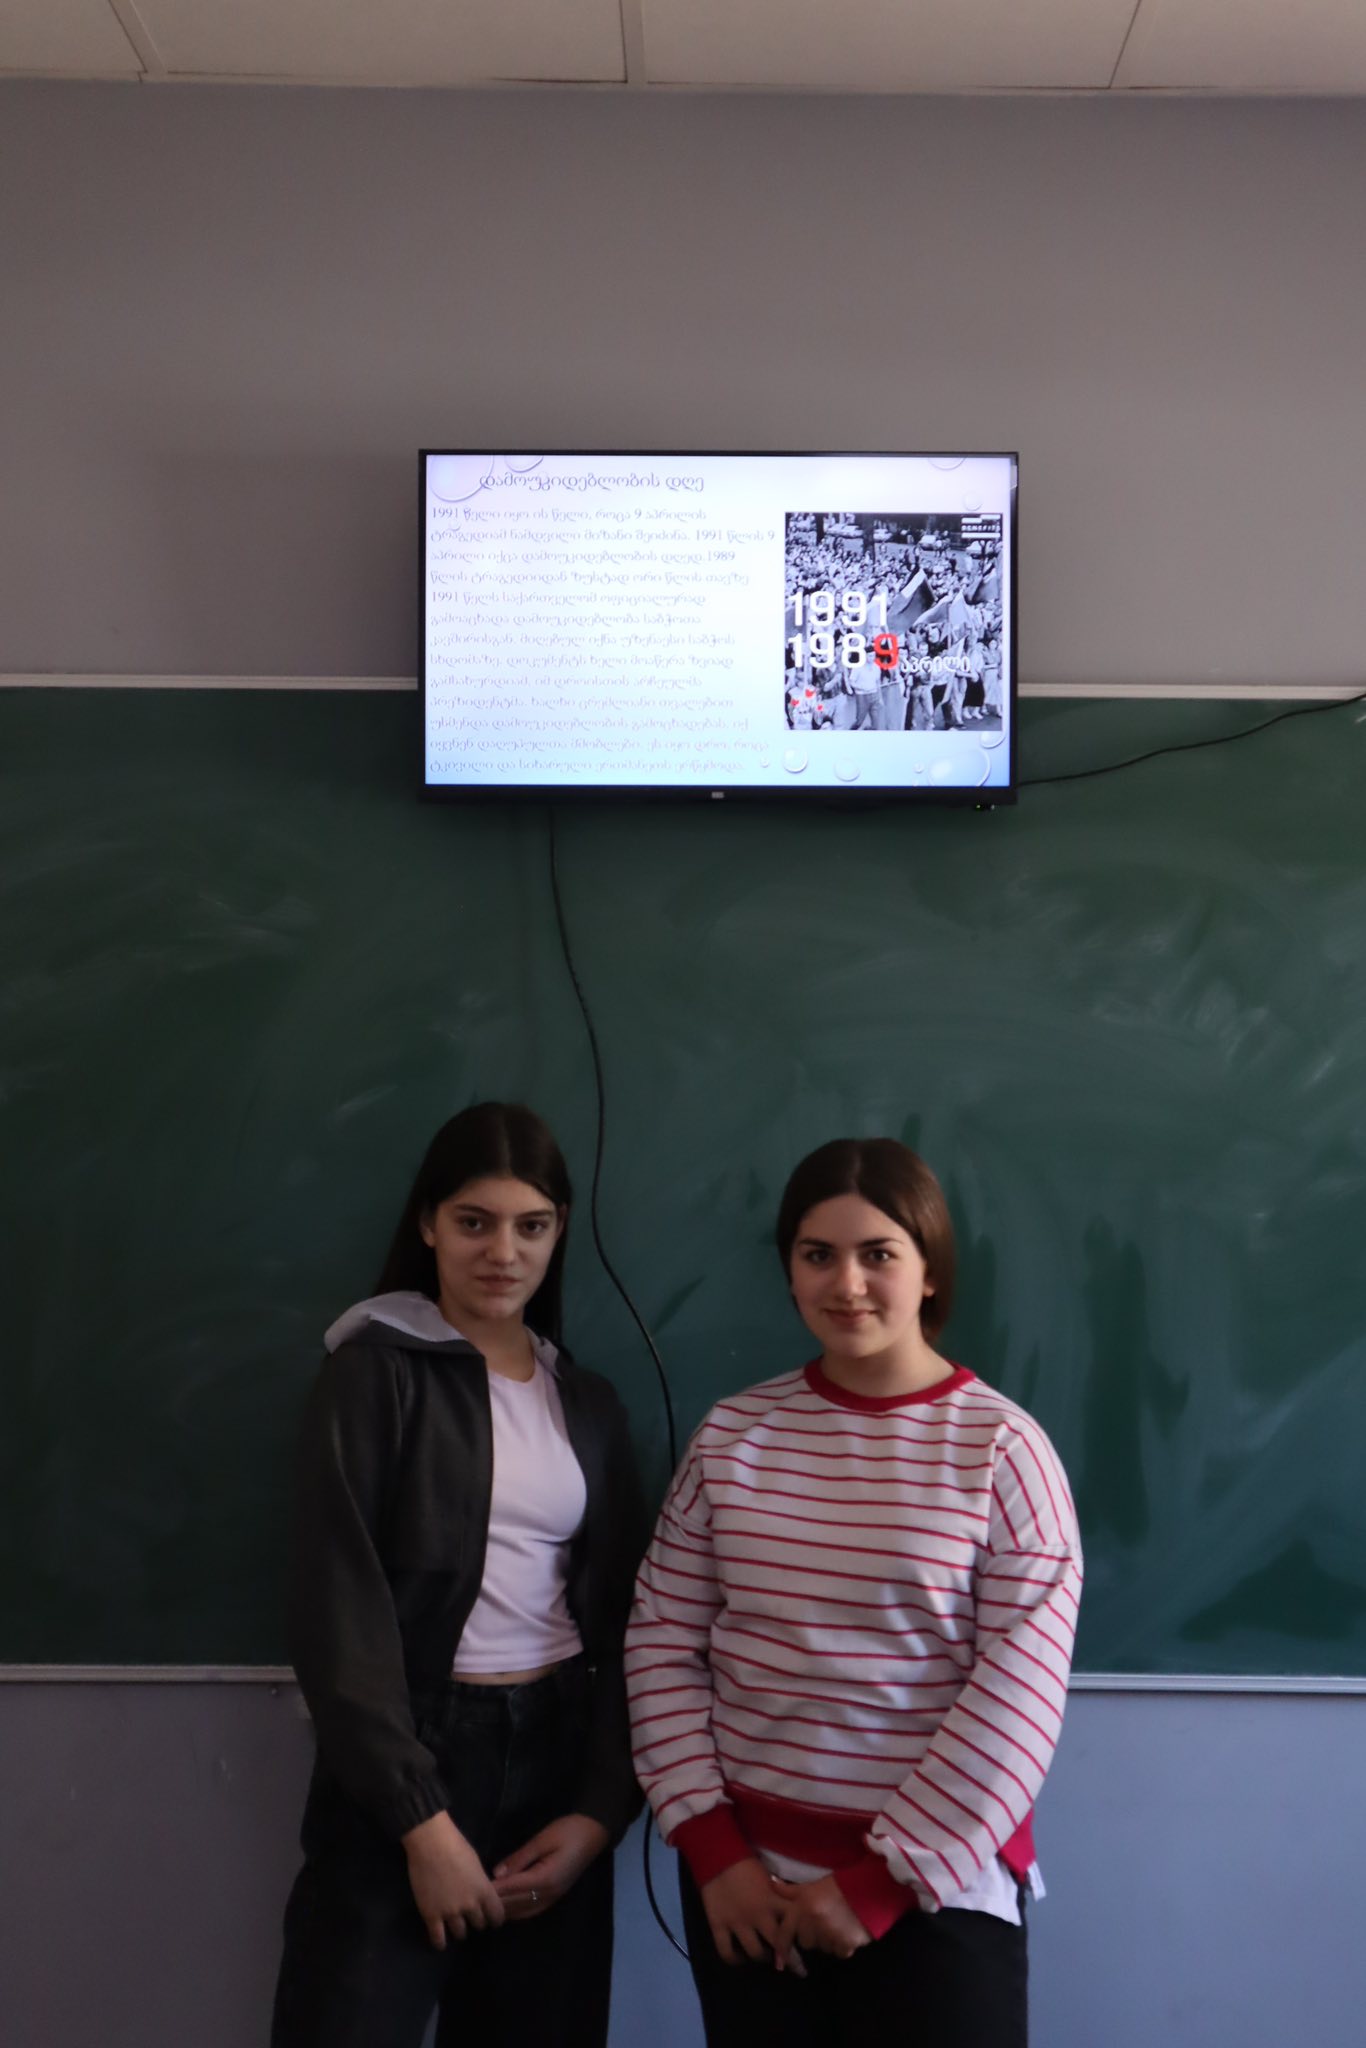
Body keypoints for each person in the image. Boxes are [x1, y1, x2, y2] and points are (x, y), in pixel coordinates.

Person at [626, 1138, 1081, 2048]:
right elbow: (661, 1640)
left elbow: (1018, 1696)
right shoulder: (733, 1436)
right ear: (789, 1270)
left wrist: (880, 1886)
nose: (847, 1284)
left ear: (929, 1271)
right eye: (817, 1255)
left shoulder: (1002, 1448)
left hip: (936, 1899)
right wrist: (714, 1851)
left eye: (879, 1254)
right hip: (748, 1890)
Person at [273, 1102, 646, 2048]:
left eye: (532, 1226)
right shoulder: (373, 1375)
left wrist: (599, 1811)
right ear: (429, 1224)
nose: (503, 1253)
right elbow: (337, 1614)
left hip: (556, 1757)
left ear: (559, 1232)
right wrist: (421, 1824)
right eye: (475, 1222)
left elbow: (627, 1622)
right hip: (410, 1757)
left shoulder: (586, 1402)